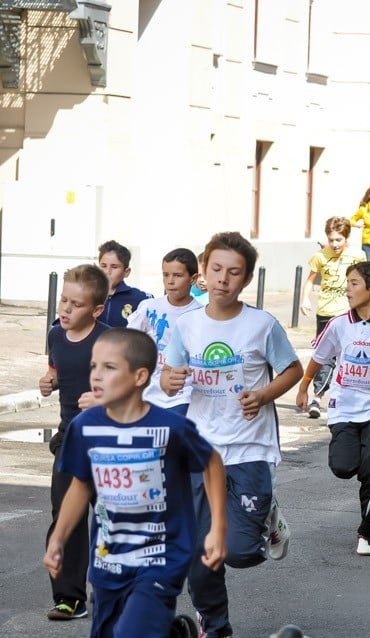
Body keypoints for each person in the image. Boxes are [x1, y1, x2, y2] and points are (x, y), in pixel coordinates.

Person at [160, 232, 303, 638]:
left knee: (240, 552)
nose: (223, 279)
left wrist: (262, 394)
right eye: (216, 269)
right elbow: (169, 380)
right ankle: (216, 626)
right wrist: (170, 379)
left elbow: (291, 370)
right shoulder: (186, 325)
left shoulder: (262, 325)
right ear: (202, 273)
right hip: (200, 449)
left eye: (234, 273)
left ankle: (268, 515)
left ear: (246, 280)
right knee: (198, 549)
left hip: (249, 447)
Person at [43, 328, 227, 638]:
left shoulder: (170, 427)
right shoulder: (85, 427)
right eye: (93, 366)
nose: (97, 376)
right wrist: (58, 538)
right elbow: (81, 485)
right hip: (109, 560)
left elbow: (211, 462)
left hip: (160, 557)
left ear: (140, 376)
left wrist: (217, 530)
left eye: (109, 367)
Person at [296, 261, 370, 555]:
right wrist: (303, 386)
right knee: (342, 467)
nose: (347, 289)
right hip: (345, 407)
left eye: (353, 284)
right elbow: (320, 356)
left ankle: (367, 532)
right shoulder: (338, 325)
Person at [39, 264, 111, 621]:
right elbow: (57, 368)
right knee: (65, 516)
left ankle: (120, 586)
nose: (65, 309)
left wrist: (104, 398)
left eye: (75, 304)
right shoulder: (55, 335)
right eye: (63, 300)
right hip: (70, 437)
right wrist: (49, 381)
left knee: (113, 515)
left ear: (96, 310)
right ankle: (70, 597)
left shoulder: (110, 340)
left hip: (110, 438)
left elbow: (138, 384)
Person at [299, 217, 365, 417]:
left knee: (352, 354)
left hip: (349, 313)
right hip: (326, 312)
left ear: (346, 238)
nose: (334, 244)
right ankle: (317, 398)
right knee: (324, 355)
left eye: (339, 239)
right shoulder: (320, 256)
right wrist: (305, 299)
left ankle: (351, 397)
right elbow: (311, 280)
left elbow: (366, 278)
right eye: (331, 240)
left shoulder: (358, 256)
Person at [125, 248, 202, 416]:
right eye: (166, 275)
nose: (170, 281)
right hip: (149, 394)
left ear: (193, 278)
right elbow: (128, 342)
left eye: (177, 275)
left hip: (184, 396)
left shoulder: (201, 314)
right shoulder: (149, 307)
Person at [98, 239, 151, 327]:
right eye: (103, 266)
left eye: (114, 267)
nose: (107, 271)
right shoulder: (87, 295)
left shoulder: (140, 299)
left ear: (126, 272)